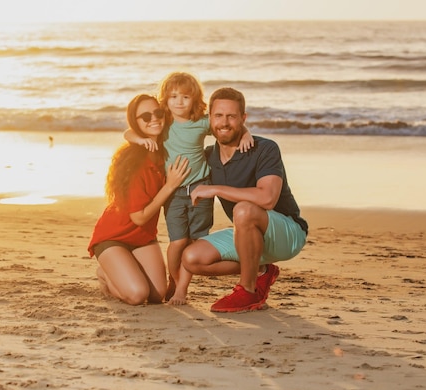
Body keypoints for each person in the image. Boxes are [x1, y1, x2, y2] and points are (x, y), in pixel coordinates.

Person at [124, 72, 253, 305]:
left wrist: (246, 133)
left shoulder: (201, 122)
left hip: (200, 188)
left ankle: (182, 288)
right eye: (173, 96)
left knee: (195, 242)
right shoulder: (164, 123)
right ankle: (173, 279)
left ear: (195, 99)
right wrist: (140, 140)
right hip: (173, 192)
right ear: (165, 98)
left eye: (185, 96)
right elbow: (128, 131)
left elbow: (225, 126)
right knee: (177, 242)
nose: (179, 102)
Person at [182, 87, 308, 313]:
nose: (224, 122)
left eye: (232, 116)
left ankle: (248, 291)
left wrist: (216, 189)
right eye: (218, 116)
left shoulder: (265, 148)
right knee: (192, 258)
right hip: (246, 233)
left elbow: (267, 199)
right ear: (209, 119)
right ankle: (261, 271)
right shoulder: (208, 156)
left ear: (243, 118)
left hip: (285, 232)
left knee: (243, 210)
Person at [87, 94, 191, 305]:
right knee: (137, 295)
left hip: (142, 238)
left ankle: (124, 270)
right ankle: (106, 275)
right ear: (136, 122)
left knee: (156, 295)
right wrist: (169, 186)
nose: (153, 119)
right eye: (145, 116)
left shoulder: (167, 148)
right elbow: (140, 217)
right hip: (113, 236)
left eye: (157, 113)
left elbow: (196, 132)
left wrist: (243, 134)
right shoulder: (133, 163)